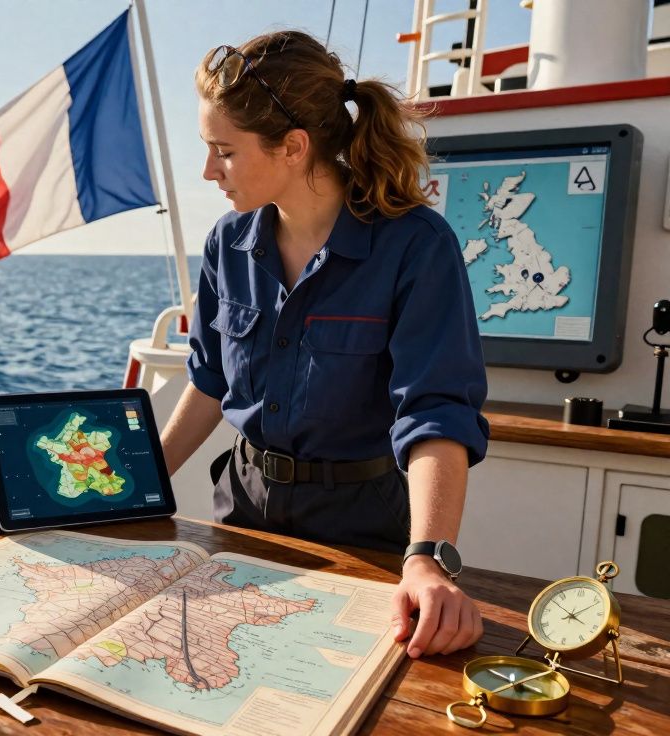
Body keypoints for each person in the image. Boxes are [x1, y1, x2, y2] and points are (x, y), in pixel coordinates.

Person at [159, 31, 490, 659]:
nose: (208, 171)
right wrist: (137, 487)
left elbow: (436, 412)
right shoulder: (225, 246)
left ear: (293, 147)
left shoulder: (416, 246)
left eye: (224, 152)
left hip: (362, 527)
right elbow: (209, 382)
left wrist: (427, 559)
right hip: (244, 511)